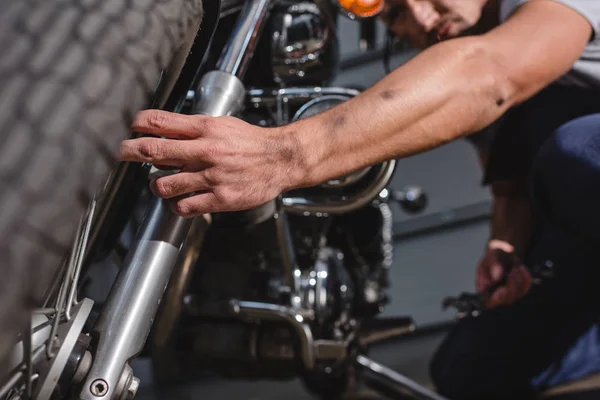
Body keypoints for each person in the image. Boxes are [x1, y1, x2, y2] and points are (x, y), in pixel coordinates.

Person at [118, 0, 600, 398]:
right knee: (473, 370)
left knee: (575, 152)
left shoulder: (513, 37)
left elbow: (491, 72)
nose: (424, 20)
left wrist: (282, 155)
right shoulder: (473, 53)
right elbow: (511, 184)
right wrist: (505, 247)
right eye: (396, 16)